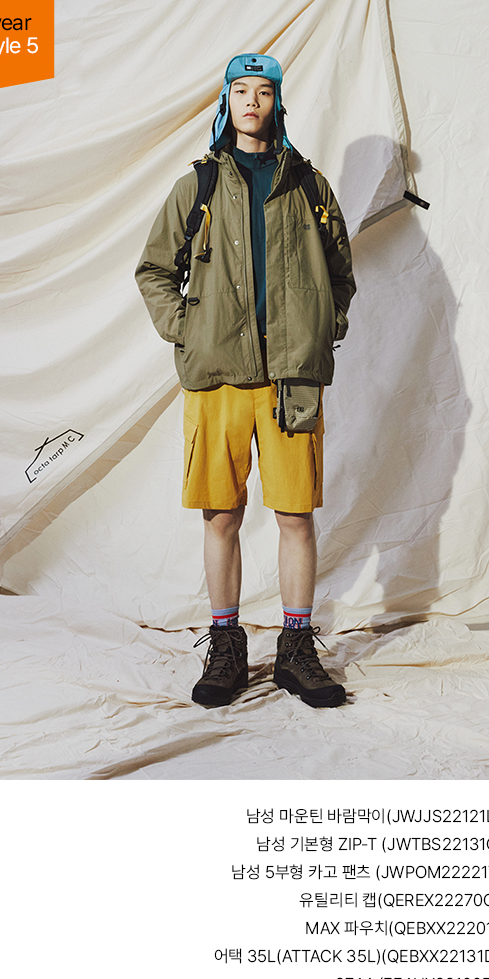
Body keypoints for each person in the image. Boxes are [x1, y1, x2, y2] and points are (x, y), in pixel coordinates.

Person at [136, 44, 355, 712]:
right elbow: (154, 270)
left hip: (293, 380)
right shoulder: (198, 186)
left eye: (263, 91)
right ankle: (227, 645)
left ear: (277, 101)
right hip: (218, 379)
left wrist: (322, 326)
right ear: (226, 103)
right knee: (221, 515)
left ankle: (296, 649)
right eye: (240, 92)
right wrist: (190, 329)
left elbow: (341, 274)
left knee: (295, 516)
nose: (251, 102)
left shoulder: (309, 185)